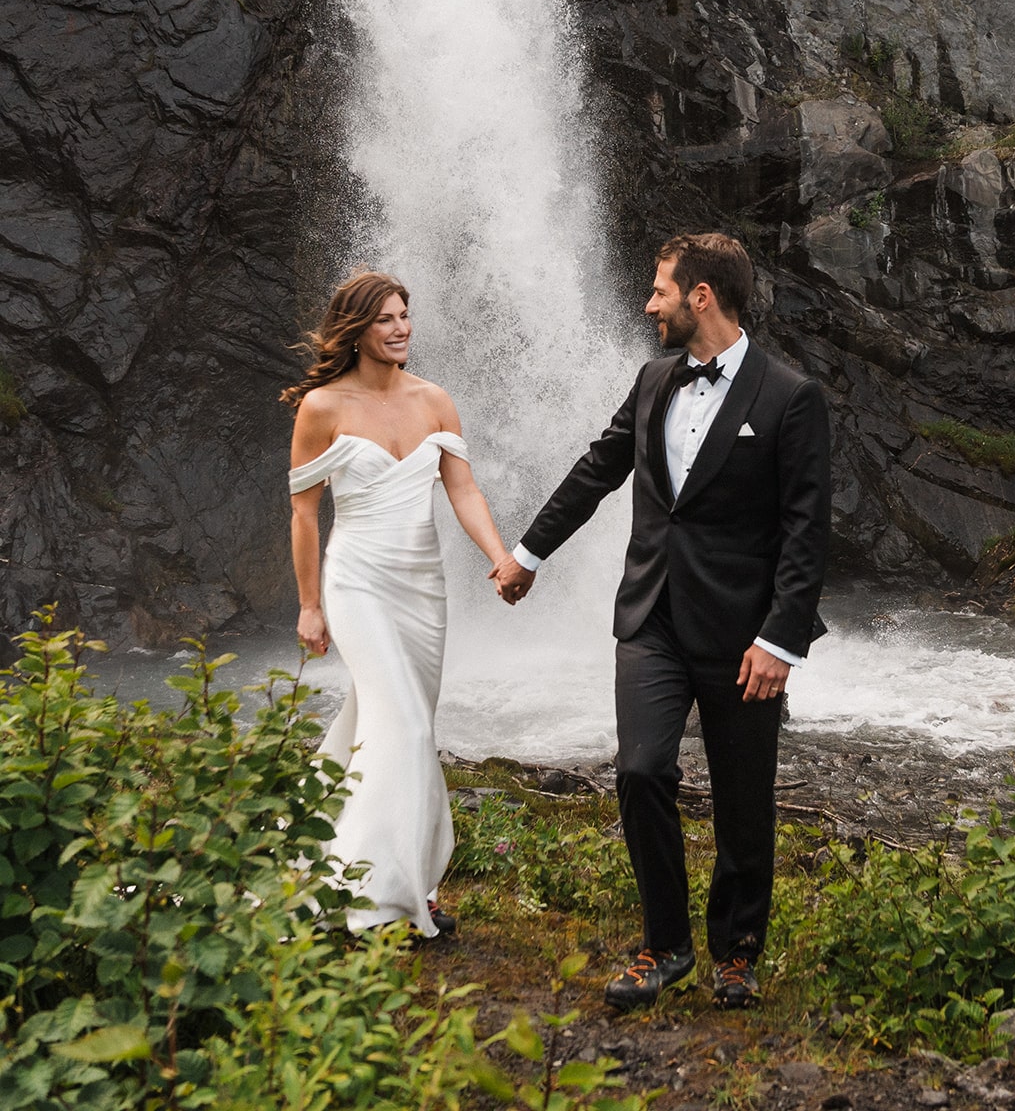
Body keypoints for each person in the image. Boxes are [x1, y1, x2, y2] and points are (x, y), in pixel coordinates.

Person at [489, 232, 831, 1010]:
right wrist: (527, 555)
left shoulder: (788, 396)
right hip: (649, 617)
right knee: (641, 770)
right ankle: (665, 944)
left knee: (744, 798)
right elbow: (596, 469)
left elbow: (807, 529)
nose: (648, 304)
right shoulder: (651, 381)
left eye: (658, 291)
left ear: (699, 296)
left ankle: (737, 951)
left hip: (744, 634)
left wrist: (780, 638)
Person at [283, 270, 510, 938]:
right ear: (356, 329)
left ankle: (344, 861)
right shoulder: (322, 407)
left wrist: (498, 556)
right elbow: (302, 514)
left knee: (385, 728)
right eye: (385, 318)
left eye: (405, 314)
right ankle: (377, 897)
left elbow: (462, 491)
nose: (400, 327)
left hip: (422, 586)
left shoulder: (434, 400)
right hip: (356, 581)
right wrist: (307, 606)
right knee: (404, 729)